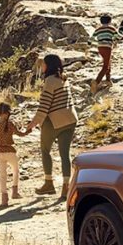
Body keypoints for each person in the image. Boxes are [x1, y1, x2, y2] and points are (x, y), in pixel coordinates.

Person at [26, 54, 78, 200]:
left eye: (43, 64)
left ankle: (49, 183)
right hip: (70, 119)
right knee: (64, 154)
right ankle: (66, 187)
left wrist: (32, 124)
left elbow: (44, 106)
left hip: (54, 121)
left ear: (48, 66)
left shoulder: (49, 81)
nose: (41, 67)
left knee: (45, 150)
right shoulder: (64, 78)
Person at [0, 103, 28, 207]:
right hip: (10, 151)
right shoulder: (10, 124)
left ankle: (4, 199)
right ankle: (14, 191)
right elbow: (20, 134)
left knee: (2, 175)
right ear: (7, 113)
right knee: (15, 170)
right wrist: (28, 131)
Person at [90, 14, 122, 93]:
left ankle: (108, 80)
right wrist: (121, 38)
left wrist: (95, 42)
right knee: (106, 66)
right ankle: (96, 82)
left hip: (100, 48)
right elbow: (118, 36)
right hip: (107, 47)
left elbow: (91, 39)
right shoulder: (111, 28)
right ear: (110, 21)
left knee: (108, 62)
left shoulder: (98, 29)